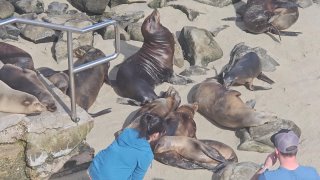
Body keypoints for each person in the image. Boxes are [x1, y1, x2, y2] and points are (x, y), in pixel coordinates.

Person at [88, 113, 166, 180]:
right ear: (156, 135)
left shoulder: (127, 132)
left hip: (94, 168)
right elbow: (136, 178)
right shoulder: (147, 154)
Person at [252, 129, 320, 180]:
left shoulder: (267, 177)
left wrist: (265, 166)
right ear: (297, 149)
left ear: (277, 151)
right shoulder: (312, 173)